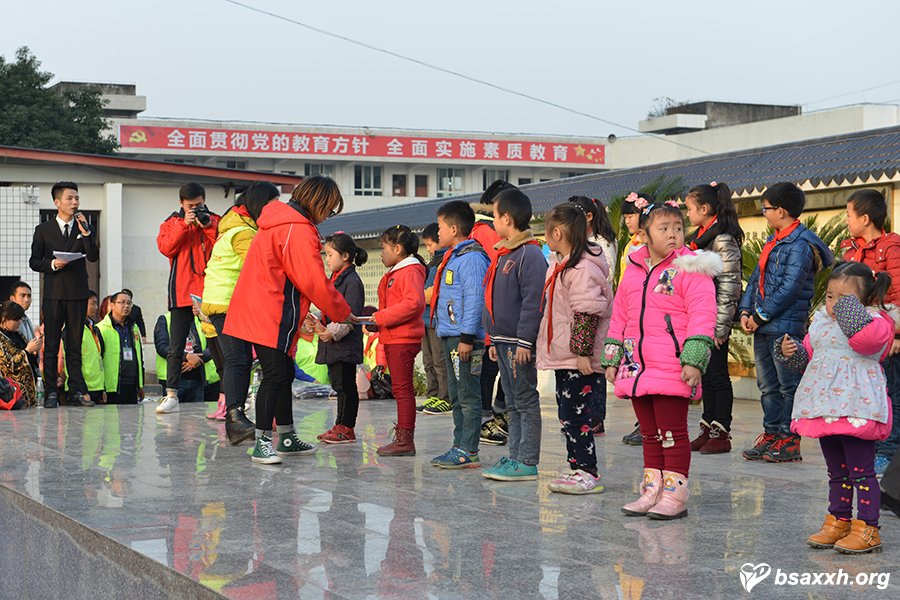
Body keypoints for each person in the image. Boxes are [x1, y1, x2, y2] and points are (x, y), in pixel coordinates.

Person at [603, 200, 720, 519]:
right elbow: (620, 316)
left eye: (678, 228)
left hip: (672, 364)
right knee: (650, 434)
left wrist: (694, 358)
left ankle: (675, 494)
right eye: (664, 228)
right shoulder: (634, 269)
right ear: (644, 234)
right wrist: (612, 356)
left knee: (672, 433)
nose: (673, 234)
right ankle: (651, 489)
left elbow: (703, 315)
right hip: (637, 365)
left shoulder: (690, 269)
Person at [225, 176, 352, 465]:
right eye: (329, 209)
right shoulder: (296, 228)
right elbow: (312, 280)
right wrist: (344, 312)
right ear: (319, 202)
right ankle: (262, 443)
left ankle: (285, 436)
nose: (326, 216)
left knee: (282, 373)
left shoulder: (280, 221)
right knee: (275, 376)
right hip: (271, 312)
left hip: (264, 307)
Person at [776, 262, 893, 554]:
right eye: (830, 296)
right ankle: (838, 520)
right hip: (825, 405)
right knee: (836, 471)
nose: (833, 303)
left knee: (861, 471)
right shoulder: (820, 324)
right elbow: (808, 360)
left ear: (863, 300)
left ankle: (868, 527)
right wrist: (791, 353)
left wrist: (848, 313)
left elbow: (866, 343)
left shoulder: (877, 321)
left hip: (857, 407)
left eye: (844, 298)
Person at [740, 182, 834, 463]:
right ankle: (771, 434)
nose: (764, 213)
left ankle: (789, 440)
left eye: (765, 208)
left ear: (780, 211)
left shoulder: (800, 245)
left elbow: (789, 288)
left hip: (786, 327)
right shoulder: (774, 241)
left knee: (787, 385)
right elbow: (755, 281)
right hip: (765, 325)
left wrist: (759, 316)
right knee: (767, 386)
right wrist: (745, 311)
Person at [538, 202, 611, 493]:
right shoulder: (563, 264)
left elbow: (587, 311)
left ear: (557, 232)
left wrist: (582, 354)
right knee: (567, 415)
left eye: (546, 231)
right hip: (565, 355)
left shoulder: (580, 268)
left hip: (577, 358)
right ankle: (576, 468)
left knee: (578, 416)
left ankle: (587, 471)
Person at [201, 181, 279, 444]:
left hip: (223, 302)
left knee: (239, 360)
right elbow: (260, 266)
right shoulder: (243, 232)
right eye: (270, 204)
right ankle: (235, 418)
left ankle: (236, 422)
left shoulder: (234, 225)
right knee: (237, 360)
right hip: (227, 302)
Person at [481, 189, 547, 481]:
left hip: (518, 345)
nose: (493, 222)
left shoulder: (529, 254)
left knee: (525, 401)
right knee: (511, 403)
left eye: (495, 216)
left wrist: (525, 341)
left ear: (507, 218)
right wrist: (493, 338)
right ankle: (515, 456)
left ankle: (528, 460)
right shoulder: (505, 252)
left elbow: (534, 302)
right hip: (503, 342)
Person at [840, 188, 900, 475]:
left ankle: (887, 452)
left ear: (865, 218)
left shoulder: (891, 247)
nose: (846, 220)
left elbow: (898, 293)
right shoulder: (850, 249)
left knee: (891, 393)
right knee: (867, 393)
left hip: (885, 334)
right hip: (857, 338)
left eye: (849, 214)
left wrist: (897, 335)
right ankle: (868, 447)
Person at [429, 201, 490, 469]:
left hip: (464, 340)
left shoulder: (473, 259)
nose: (437, 232)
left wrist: (467, 337)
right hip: (450, 336)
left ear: (454, 228)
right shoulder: (454, 256)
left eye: (441, 227)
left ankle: (469, 449)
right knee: (456, 394)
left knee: (467, 394)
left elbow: (475, 299)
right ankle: (459, 445)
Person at [684, 182, 744, 454]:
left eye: (690, 209)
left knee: (718, 375)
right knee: (706, 374)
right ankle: (707, 426)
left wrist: (720, 327)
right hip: (701, 317)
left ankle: (722, 431)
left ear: (705, 209)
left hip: (715, 319)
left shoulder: (722, 239)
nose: (687, 215)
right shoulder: (702, 237)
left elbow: (730, 283)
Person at [29, 181, 99, 408]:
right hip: (54, 294)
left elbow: (93, 257)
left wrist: (87, 232)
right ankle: (51, 392)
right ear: (57, 202)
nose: (75, 202)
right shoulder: (44, 230)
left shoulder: (83, 228)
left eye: (77, 198)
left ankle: (76, 391)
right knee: (51, 345)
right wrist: (52, 264)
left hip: (78, 294)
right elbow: (34, 261)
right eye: (70, 198)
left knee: (75, 344)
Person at [156, 182, 220, 414]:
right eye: (191, 206)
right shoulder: (171, 222)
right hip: (182, 291)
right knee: (176, 345)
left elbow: (222, 246)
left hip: (211, 291)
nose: (196, 209)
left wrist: (207, 225)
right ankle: (171, 393)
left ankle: (226, 396)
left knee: (218, 343)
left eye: (199, 204)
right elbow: (166, 247)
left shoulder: (214, 219)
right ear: (181, 204)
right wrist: (185, 224)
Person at [371, 225, 427, 456]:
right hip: (395, 336)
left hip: (403, 338)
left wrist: (381, 317)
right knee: (400, 388)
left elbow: (413, 303)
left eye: (383, 248)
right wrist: (378, 320)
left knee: (403, 390)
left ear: (397, 248)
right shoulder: (398, 271)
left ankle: (405, 439)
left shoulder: (409, 271)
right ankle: (404, 437)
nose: (381, 253)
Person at [568, 196, 617, 435]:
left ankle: (596, 417)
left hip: (596, 308)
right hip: (582, 306)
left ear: (588, 216)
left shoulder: (601, 243)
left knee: (595, 367)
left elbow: (603, 277)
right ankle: (583, 415)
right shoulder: (581, 240)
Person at [314, 232, 366, 444]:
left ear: (345, 256)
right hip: (334, 344)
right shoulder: (335, 279)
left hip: (343, 343)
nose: (327, 259)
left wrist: (331, 332)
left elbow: (349, 314)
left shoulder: (352, 281)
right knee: (339, 386)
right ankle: (339, 425)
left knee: (346, 386)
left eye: (330, 254)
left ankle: (347, 427)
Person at [471, 180, 512, 444]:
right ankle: (490, 418)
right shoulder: (486, 231)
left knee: (489, 369)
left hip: (486, 313)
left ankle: (490, 413)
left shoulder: (476, 228)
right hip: (492, 312)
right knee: (491, 368)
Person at [618, 191, 653, 446]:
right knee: (633, 370)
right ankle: (643, 421)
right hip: (630, 314)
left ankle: (650, 424)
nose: (629, 220)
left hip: (648, 316)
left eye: (633, 215)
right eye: (626, 216)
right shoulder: (631, 244)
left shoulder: (651, 245)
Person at [417, 223, 451, 415]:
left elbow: (433, 293)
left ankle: (444, 397)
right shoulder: (432, 263)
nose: (428, 249)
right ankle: (433, 395)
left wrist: (419, 297)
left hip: (437, 320)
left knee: (439, 360)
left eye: (430, 245)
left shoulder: (444, 262)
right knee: (428, 360)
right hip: (425, 319)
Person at [153, 311, 220, 403]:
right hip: (174, 380)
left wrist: (196, 361)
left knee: (196, 413)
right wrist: (187, 356)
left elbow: (213, 345)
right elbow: (162, 347)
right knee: (172, 415)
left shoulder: (201, 319)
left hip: (198, 378)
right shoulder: (165, 319)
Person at [96, 291, 145, 404]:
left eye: (129, 303)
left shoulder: (134, 327)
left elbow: (139, 356)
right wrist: (101, 388)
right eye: (122, 303)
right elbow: (97, 361)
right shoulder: (101, 329)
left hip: (132, 384)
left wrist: (140, 384)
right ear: (112, 305)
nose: (126, 306)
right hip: (112, 387)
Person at [64, 290, 105, 406]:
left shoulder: (93, 328)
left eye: (96, 304)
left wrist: (103, 388)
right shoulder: (72, 329)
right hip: (81, 391)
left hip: (96, 388)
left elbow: (99, 359)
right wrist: (82, 390)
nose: (96, 307)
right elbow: (72, 363)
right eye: (92, 303)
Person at [0, 301, 39, 407]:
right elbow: (7, 365)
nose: (19, 322)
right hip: (12, 394)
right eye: (16, 319)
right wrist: (27, 351)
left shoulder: (18, 335)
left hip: (28, 394)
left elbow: (29, 358)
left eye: (20, 319)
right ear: (5, 318)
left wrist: (34, 352)